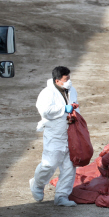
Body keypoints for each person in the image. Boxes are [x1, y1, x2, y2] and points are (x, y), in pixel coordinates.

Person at [30, 66, 79, 207]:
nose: (69, 81)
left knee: (70, 166)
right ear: (57, 80)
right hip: (55, 134)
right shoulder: (47, 93)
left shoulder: (72, 90)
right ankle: (37, 184)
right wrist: (64, 109)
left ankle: (61, 196)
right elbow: (45, 111)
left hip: (70, 132)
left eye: (69, 78)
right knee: (49, 164)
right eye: (66, 79)